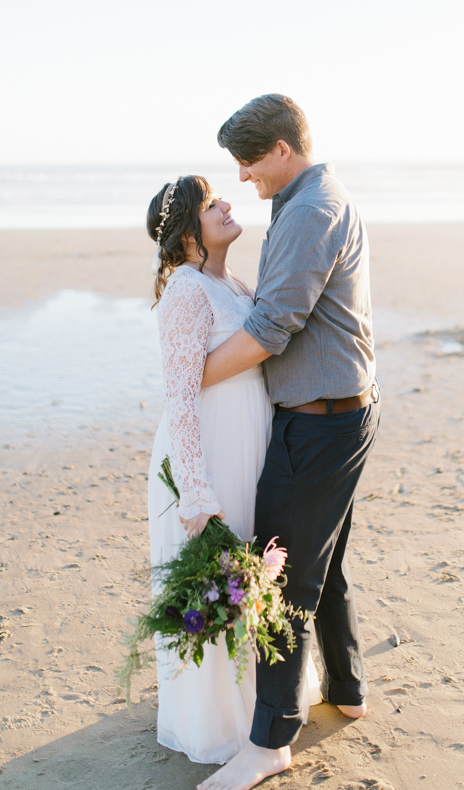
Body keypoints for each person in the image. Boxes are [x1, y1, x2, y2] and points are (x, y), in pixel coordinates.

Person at [197, 94, 380, 790]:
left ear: (281, 149)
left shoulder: (308, 209)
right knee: (323, 562)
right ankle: (349, 687)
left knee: (283, 576)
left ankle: (271, 740)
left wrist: (194, 379)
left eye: (247, 162)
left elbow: (275, 324)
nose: (242, 176)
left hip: (321, 420)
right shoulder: (309, 197)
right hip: (340, 411)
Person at [146, 175, 320, 765]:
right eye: (210, 203)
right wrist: (195, 490)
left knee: (255, 567)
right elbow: (180, 396)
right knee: (222, 575)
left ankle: (264, 701)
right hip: (211, 453)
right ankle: (223, 721)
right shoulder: (186, 292)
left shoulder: (233, 282)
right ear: (188, 236)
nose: (226, 204)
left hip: (250, 443)